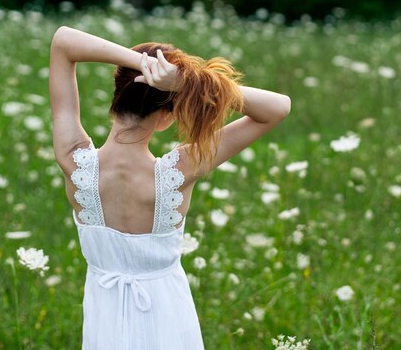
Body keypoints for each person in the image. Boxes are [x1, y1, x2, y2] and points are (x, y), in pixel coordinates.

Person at [49, 26, 291, 350]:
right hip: (169, 319)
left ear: (116, 95)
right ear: (167, 117)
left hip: (103, 319)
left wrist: (140, 63)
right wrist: (185, 81)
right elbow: (278, 107)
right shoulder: (180, 169)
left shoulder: (73, 159)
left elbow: (63, 41)